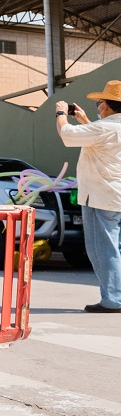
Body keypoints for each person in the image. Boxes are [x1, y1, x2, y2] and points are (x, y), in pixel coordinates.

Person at [56, 81, 121, 313]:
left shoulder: (104, 128)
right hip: (116, 197)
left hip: (100, 197)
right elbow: (99, 142)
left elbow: (67, 135)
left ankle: (113, 299)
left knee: (102, 250)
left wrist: (61, 113)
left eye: (100, 102)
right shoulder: (110, 128)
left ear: (107, 106)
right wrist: (84, 120)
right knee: (115, 248)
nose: (98, 106)